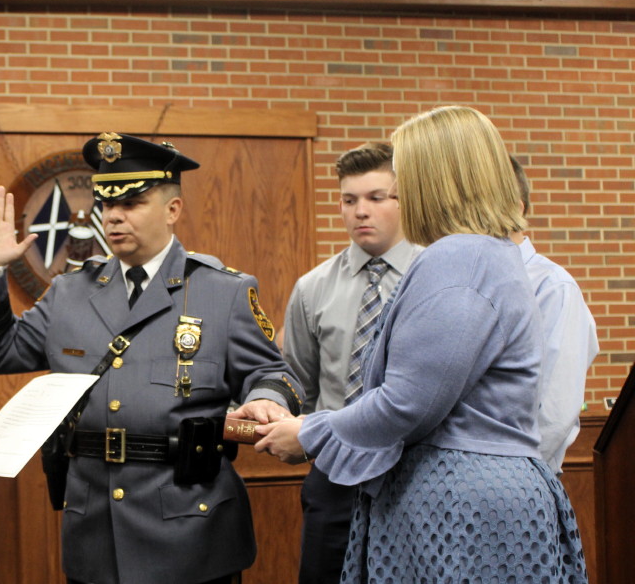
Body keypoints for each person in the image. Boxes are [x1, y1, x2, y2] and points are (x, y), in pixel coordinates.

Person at [234, 106, 587, 582]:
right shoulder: (488, 251)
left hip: (459, 502)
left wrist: (310, 433)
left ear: (431, 179)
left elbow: (408, 402)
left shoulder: (459, 257)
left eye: (399, 182)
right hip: (468, 493)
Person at [0, 133, 304, 584]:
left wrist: (267, 397)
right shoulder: (70, 292)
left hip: (191, 530)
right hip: (95, 531)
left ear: (172, 210)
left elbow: (272, 371)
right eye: (106, 204)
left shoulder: (223, 291)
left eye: (132, 203)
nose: (114, 216)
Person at [280, 142, 423, 584]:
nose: (361, 211)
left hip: (416, 474)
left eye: (377, 198)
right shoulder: (312, 288)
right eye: (349, 200)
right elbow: (296, 382)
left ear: (407, 200)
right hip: (335, 476)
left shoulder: (434, 274)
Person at [509, 156, 599, 474]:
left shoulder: (553, 287)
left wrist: (507, 475)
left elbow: (555, 412)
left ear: (516, 208)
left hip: (519, 480)